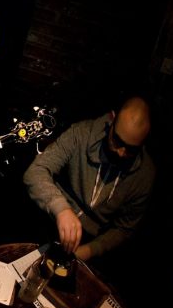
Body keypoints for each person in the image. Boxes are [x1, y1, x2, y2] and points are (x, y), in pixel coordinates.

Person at [23, 96, 155, 262]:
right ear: (112, 120)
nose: (121, 152)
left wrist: (90, 250)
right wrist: (61, 209)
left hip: (88, 243)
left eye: (131, 150)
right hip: (49, 218)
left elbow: (124, 228)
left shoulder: (145, 174)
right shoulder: (81, 133)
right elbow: (36, 171)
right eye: (117, 141)